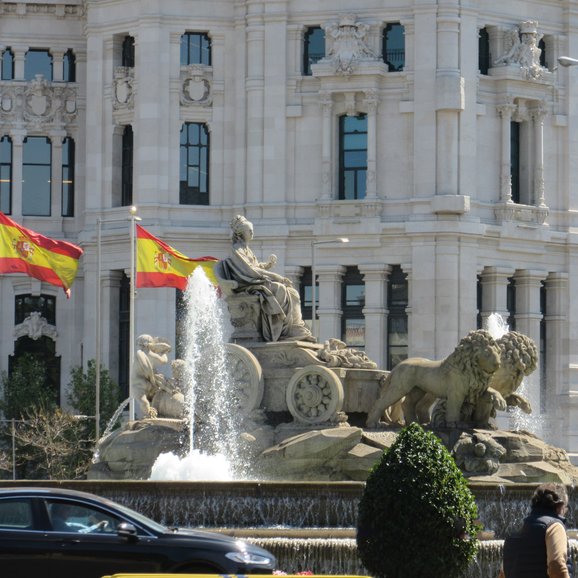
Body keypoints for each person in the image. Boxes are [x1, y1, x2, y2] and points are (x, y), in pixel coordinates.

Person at [219, 215, 315, 343]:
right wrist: (276, 276)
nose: (252, 233)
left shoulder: (246, 250)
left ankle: (294, 326)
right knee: (280, 289)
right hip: (247, 284)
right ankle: (281, 330)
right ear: (240, 233)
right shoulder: (237, 249)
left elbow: (255, 266)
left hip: (254, 281)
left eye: (252, 230)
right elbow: (249, 270)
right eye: (249, 231)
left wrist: (267, 265)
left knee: (293, 293)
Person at [498, 483, 573, 578]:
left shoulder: (516, 532)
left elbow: (502, 574)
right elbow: (556, 566)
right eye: (565, 508)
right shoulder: (554, 527)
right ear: (560, 506)